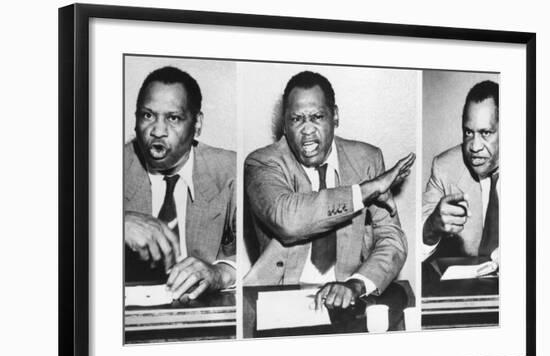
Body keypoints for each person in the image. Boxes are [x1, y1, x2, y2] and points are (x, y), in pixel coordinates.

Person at [244, 70, 415, 310]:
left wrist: (356, 285)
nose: (307, 130)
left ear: (334, 116)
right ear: (284, 124)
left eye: (317, 117)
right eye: (296, 119)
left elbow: (392, 240)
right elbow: (288, 221)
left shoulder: (367, 159)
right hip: (280, 298)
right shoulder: (261, 163)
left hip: (348, 296)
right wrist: (367, 191)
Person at [124, 66, 236, 301]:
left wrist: (221, 272)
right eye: (148, 115)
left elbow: (263, 253)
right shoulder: (104, 167)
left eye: (173, 118)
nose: (158, 131)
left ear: (197, 125)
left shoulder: (230, 172)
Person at [422, 80, 499, 260]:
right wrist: (430, 228)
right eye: (468, 133)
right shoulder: (445, 167)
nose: (475, 146)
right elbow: (414, 242)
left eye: (485, 133)